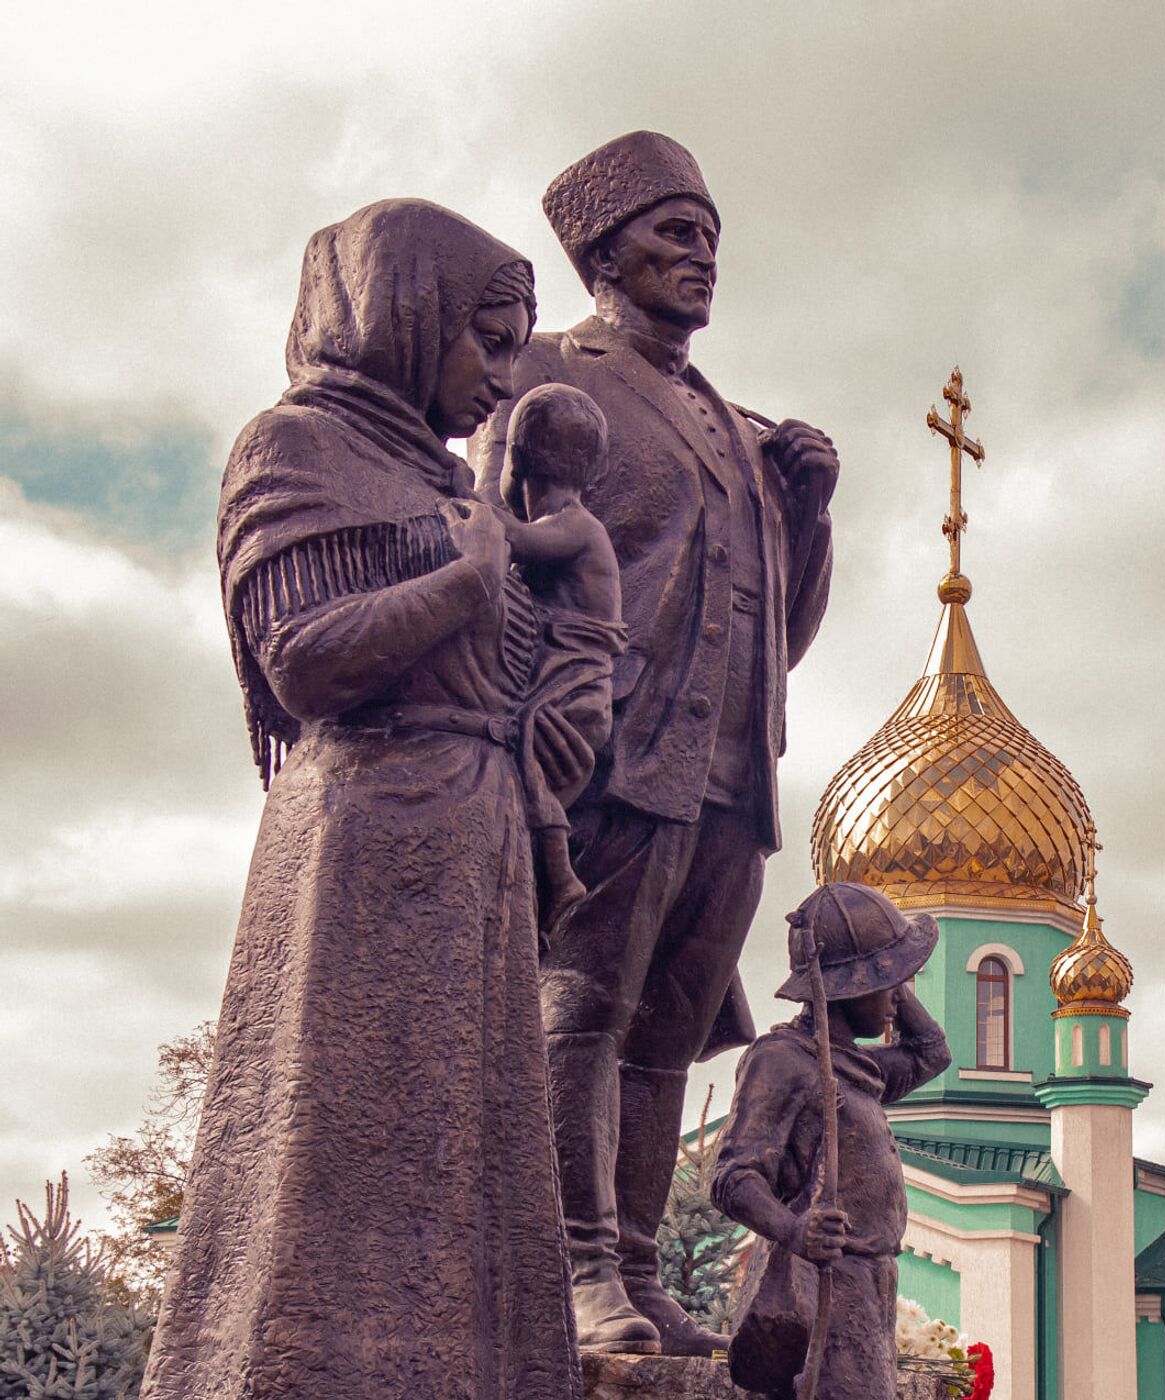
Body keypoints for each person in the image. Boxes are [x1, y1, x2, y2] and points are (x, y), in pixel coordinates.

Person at [141, 199, 598, 1400]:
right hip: (362, 828)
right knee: (334, 1137)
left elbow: (520, 656)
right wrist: (467, 578)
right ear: (404, 317)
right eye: (485, 340)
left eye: (515, 346)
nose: (504, 377)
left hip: (474, 829)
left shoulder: (455, 480)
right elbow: (304, 664)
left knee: (462, 1149)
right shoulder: (293, 448)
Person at [469, 129, 840, 1357]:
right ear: (602, 250)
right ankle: (569, 1267)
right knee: (581, 1009)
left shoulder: (736, 422)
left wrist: (810, 510)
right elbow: (489, 548)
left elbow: (782, 624)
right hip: (609, 750)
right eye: (676, 233)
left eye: (712, 238)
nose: (701, 258)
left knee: (670, 1027)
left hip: (734, 772)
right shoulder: (537, 369)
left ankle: (632, 1260)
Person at [711, 883, 952, 1400]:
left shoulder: (855, 1066)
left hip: (870, 1286)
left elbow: (931, 1054)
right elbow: (733, 1176)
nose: (896, 995)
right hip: (823, 1285)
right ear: (848, 986)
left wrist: (889, 977)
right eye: (886, 982)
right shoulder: (784, 1060)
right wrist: (794, 1230)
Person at [496, 383, 626, 933]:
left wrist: (458, 505)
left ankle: (558, 874)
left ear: (515, 460)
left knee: (522, 750)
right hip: (566, 685)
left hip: (575, 689)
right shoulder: (569, 524)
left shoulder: (575, 526)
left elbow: (516, 541)